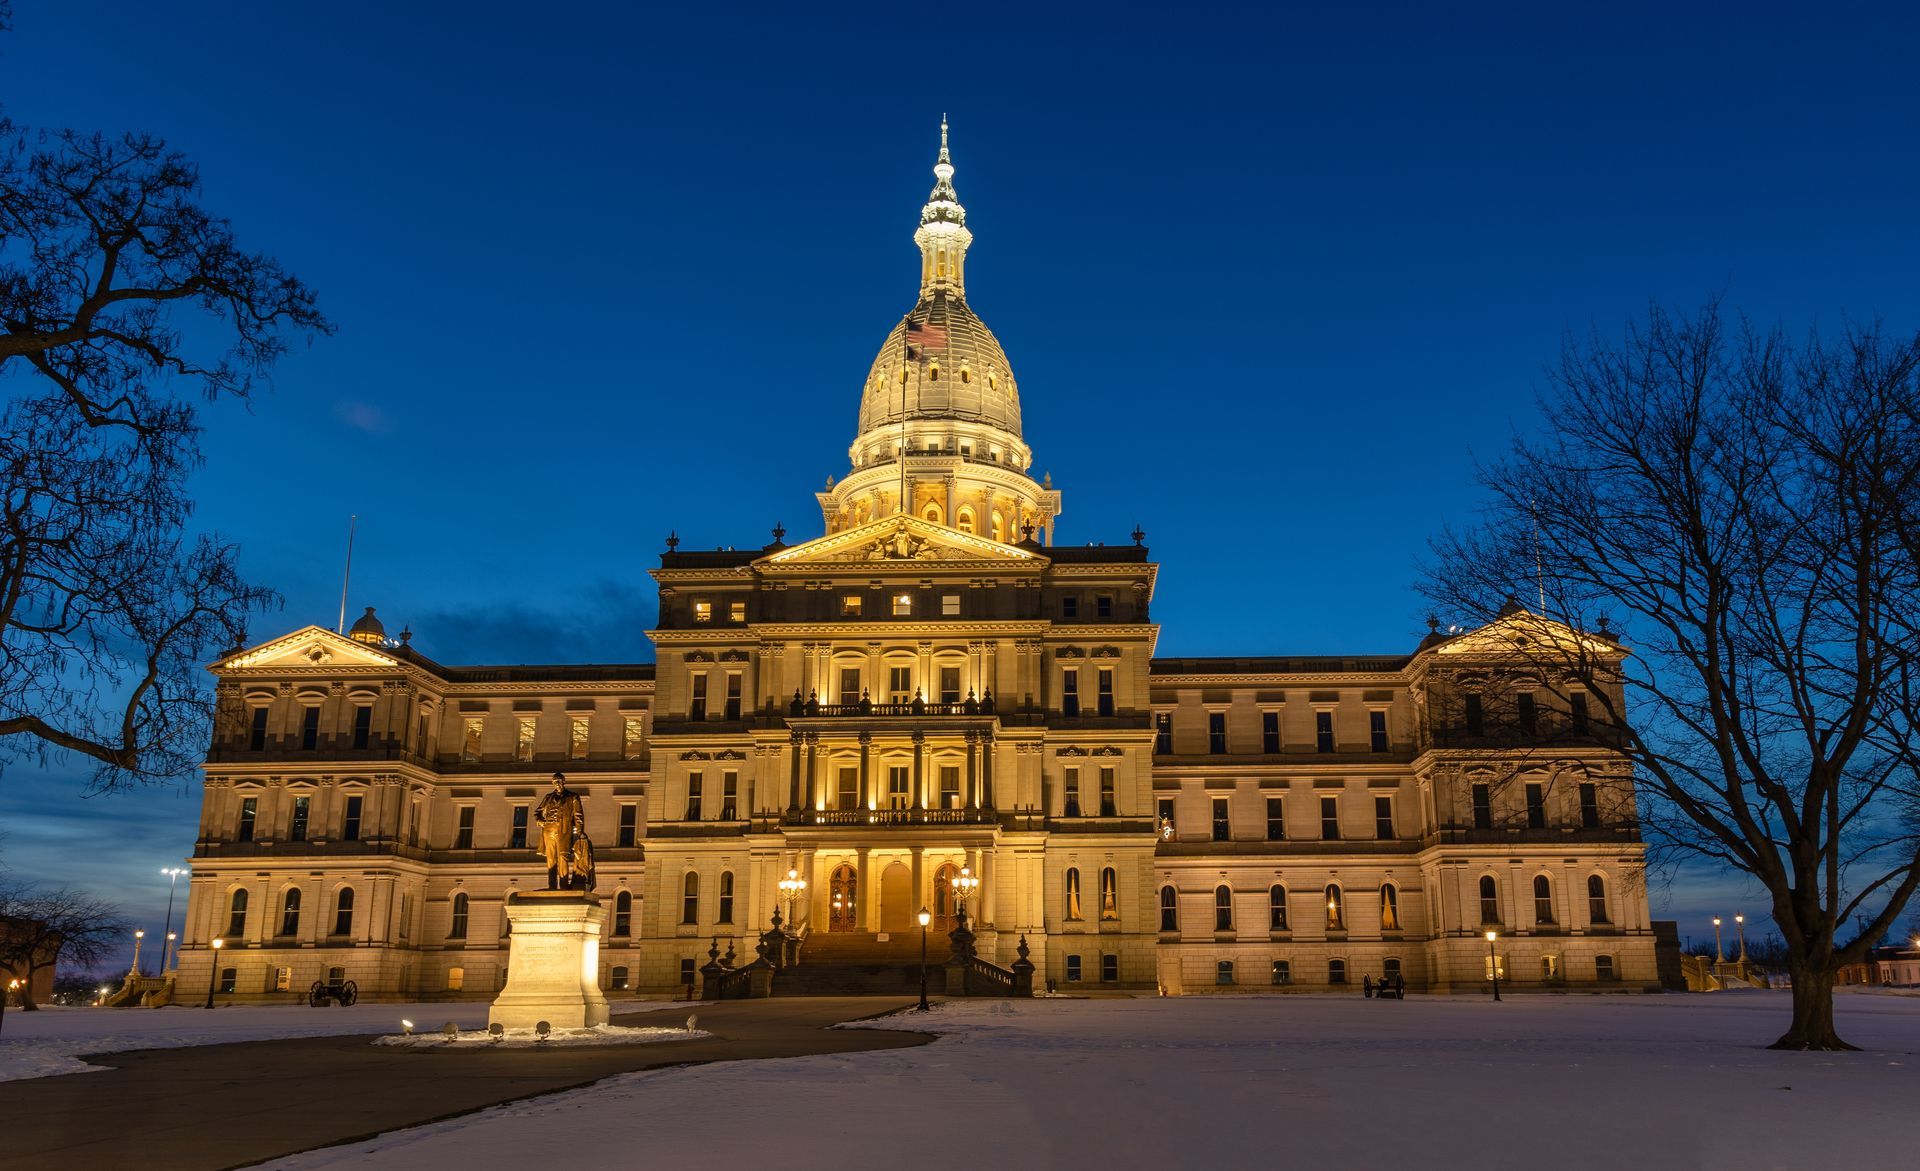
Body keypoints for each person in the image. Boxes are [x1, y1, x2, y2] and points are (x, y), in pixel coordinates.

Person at [534, 772, 586, 889]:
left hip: (564, 830)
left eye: (559, 780)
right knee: (551, 858)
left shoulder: (573, 797)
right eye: (555, 781)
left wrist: (579, 831)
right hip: (548, 829)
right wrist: (539, 819)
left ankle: (563, 885)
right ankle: (552, 886)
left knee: (563, 857)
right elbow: (538, 812)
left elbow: (578, 815)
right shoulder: (548, 797)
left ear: (564, 781)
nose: (557, 783)